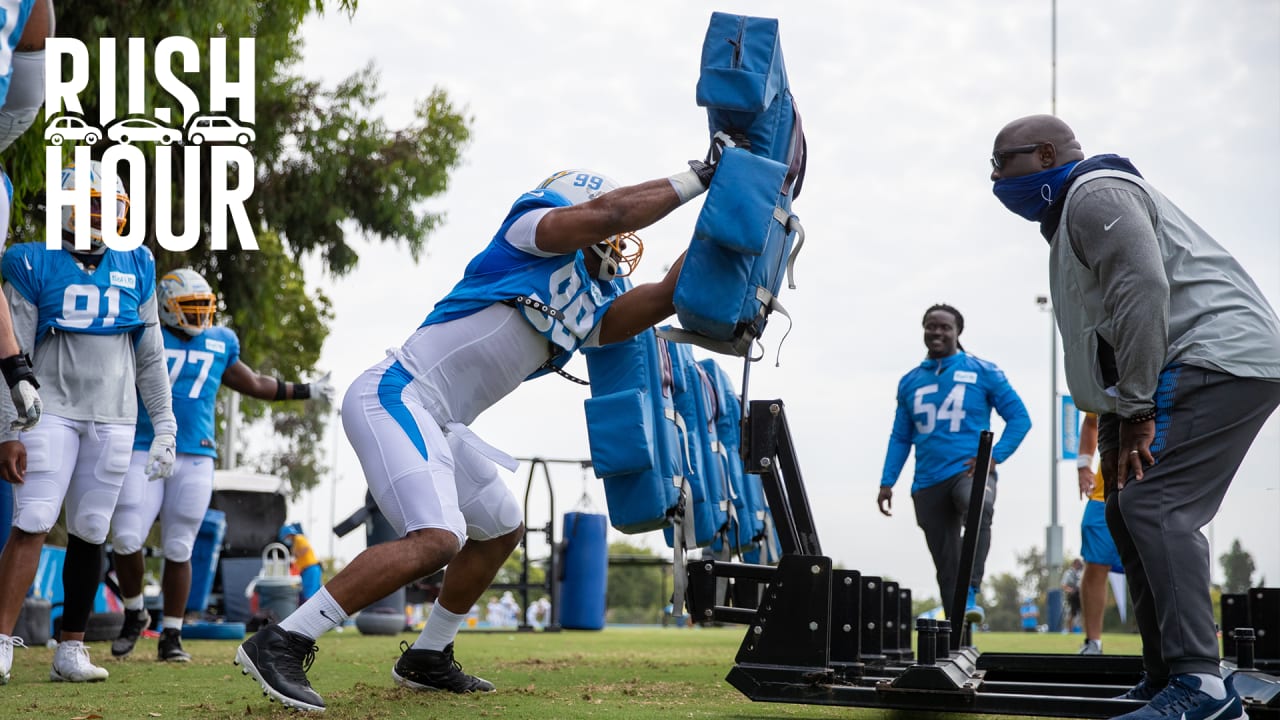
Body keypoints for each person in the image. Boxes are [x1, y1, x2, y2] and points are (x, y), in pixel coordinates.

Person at [235, 156, 723, 712]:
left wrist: (727, 213)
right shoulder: (531, 228)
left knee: (499, 528)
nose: (617, 240)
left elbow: (665, 293)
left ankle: (428, 654)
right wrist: (700, 176)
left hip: (438, 421)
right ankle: (284, 639)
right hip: (397, 394)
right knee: (438, 538)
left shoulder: (597, 303)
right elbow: (609, 211)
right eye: (610, 231)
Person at [990, 114, 1280, 720]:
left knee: (1158, 504)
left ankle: (1200, 687)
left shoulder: (1096, 194)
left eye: (1004, 161)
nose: (995, 178)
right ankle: (1164, 675)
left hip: (1214, 355)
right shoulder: (1071, 212)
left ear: (1045, 155)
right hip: (1168, 370)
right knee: (1124, 509)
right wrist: (1121, 412)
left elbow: (1142, 291)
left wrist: (1141, 407)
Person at [0, 161, 176, 684]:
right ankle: (2, 639)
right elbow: (14, 349)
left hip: (115, 418)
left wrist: (163, 425)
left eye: (105, 208)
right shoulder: (32, 261)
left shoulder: (138, 263)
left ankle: (71, 647)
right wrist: (10, 429)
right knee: (31, 522)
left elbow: (150, 356)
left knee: (91, 532)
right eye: (85, 206)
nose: (96, 218)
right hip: (48, 412)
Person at [107, 269, 333, 662]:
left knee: (180, 547)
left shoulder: (220, 341)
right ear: (165, 307)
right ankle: (133, 611)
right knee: (127, 538)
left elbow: (256, 383)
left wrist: (307, 389)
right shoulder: (143, 333)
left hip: (197, 452)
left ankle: (172, 635)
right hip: (142, 446)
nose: (198, 316)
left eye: (202, 308)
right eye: (188, 308)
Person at [877, 304, 1032, 624]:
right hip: (927, 480)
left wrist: (995, 456)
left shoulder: (983, 371)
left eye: (945, 327)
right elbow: (900, 437)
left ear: (958, 332)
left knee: (978, 505)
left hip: (969, 469)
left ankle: (972, 589)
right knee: (947, 568)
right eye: (931, 326)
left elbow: (1020, 418)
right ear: (923, 330)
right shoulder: (910, 381)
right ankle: (956, 640)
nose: (937, 332)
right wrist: (887, 481)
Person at [1075, 412, 1124, 655]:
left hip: (1152, 483)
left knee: (1154, 567)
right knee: (1095, 564)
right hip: (1104, 492)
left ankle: (1164, 643)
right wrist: (1084, 465)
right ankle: (1093, 643)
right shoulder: (1109, 377)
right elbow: (1092, 421)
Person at [279, 522, 325, 603]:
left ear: (288, 535)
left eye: (286, 537)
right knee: (312, 593)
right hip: (307, 571)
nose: (286, 539)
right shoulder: (294, 544)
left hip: (311, 569)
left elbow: (306, 548)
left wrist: (295, 555)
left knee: (309, 595)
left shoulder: (299, 538)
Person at [1060, 557, 1083, 633]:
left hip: (1080, 597)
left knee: (1083, 615)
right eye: (1078, 564)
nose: (1079, 566)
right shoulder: (1068, 573)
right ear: (1074, 564)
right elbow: (1063, 585)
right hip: (1071, 598)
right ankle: (1070, 631)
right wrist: (1072, 590)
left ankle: (1084, 632)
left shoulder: (1080, 573)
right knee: (1071, 614)